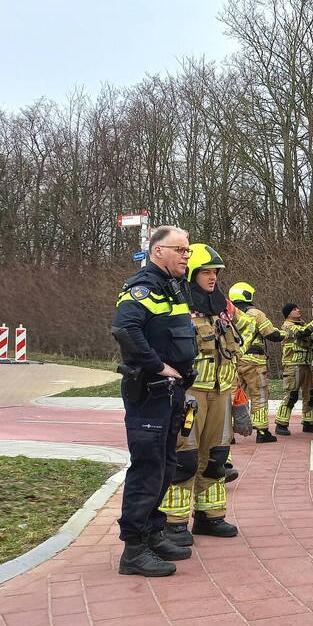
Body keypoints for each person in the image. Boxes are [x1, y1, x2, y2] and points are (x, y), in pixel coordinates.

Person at [111, 225, 197, 577]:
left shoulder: (172, 289)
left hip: (169, 395)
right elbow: (125, 329)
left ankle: (152, 532)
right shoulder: (142, 288)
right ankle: (133, 550)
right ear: (158, 251)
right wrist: (158, 366)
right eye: (180, 250)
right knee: (147, 469)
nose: (185, 256)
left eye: (187, 251)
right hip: (149, 392)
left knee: (163, 466)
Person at [160, 243, 250, 546]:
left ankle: (210, 516)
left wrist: (239, 402)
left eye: (215, 273)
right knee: (184, 458)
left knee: (216, 457)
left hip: (222, 392)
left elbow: (241, 342)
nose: (212, 278)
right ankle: (174, 523)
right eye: (206, 272)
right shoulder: (178, 307)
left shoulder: (224, 308)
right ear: (193, 274)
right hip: (191, 394)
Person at [229, 282, 285, 443]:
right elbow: (272, 334)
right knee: (259, 395)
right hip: (254, 363)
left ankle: (228, 434)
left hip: (234, 361)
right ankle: (262, 432)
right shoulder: (255, 313)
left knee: (233, 396)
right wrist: (285, 334)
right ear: (248, 295)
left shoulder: (227, 313)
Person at [273, 304, 313, 436]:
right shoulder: (287, 326)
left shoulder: (301, 324)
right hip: (293, 365)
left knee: (310, 395)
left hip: (305, 365)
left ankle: (308, 423)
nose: (298, 310)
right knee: (292, 396)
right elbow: (302, 333)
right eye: (294, 309)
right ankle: (281, 424)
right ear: (288, 314)